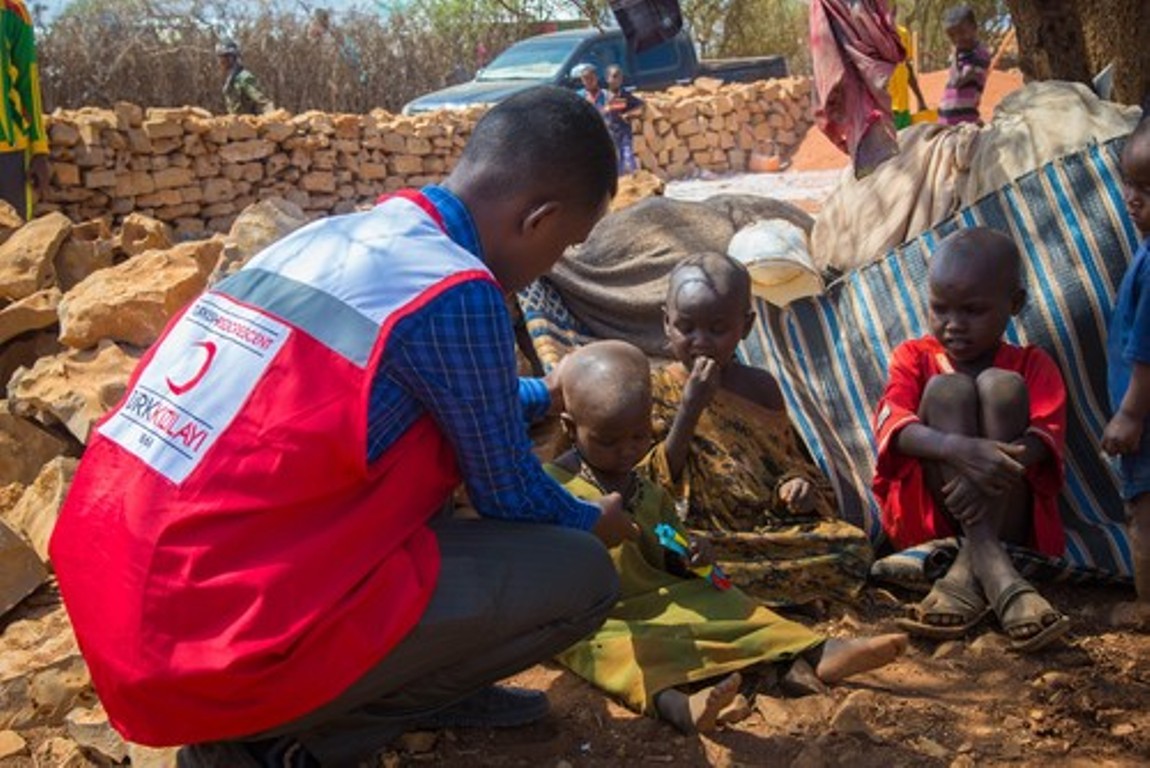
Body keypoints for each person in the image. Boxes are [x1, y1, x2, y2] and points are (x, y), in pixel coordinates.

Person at [50, 87, 635, 768]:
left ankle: (404, 681)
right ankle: (294, 741)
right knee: (582, 576)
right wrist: (597, 520)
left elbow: (450, 392)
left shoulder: (343, 238)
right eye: (564, 246)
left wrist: (544, 393)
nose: (553, 264)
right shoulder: (459, 287)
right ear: (538, 219)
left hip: (119, 591)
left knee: (423, 464)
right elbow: (513, 493)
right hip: (205, 641)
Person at [547, 340, 908, 734]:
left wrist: (688, 554)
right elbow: (543, 566)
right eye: (608, 441)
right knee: (612, 653)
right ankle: (677, 706)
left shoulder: (645, 486)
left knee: (725, 596)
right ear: (570, 426)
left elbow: (667, 540)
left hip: (662, 598)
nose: (626, 451)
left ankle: (816, 649)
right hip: (596, 616)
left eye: (637, 436)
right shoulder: (553, 487)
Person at [872, 227, 1071, 652]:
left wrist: (986, 466)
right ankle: (996, 570)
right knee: (947, 390)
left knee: (1003, 387)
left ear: (1014, 304)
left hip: (1009, 514)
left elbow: (1046, 439)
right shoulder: (914, 358)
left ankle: (967, 569)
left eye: (973, 311)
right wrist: (960, 450)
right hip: (934, 512)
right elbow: (893, 427)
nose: (953, 325)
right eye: (939, 309)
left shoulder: (1032, 364)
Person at [645, 252, 874, 607]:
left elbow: (788, 462)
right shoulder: (655, 388)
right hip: (698, 535)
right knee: (668, 546)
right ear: (666, 323)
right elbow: (651, 482)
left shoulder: (761, 386)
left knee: (852, 548)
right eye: (686, 328)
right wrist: (690, 408)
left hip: (767, 535)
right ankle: (731, 585)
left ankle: (721, 587)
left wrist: (796, 485)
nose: (701, 341)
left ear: (746, 326)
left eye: (718, 329)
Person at [1101, 118, 1150, 630]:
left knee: (1144, 512)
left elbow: (1146, 350)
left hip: (1146, 425)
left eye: (1149, 190)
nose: (1133, 200)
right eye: (1129, 184)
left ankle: (1146, 605)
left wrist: (1131, 415)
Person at [0, 0, 50, 220]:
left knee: (16, 244)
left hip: (8, 152)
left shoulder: (13, 11)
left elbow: (28, 83)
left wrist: (39, 149)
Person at [937, 4, 990, 127]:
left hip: (964, 122)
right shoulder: (962, 53)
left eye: (962, 32)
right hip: (946, 120)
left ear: (974, 27)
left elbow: (957, 81)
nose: (957, 39)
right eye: (952, 35)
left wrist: (954, 53)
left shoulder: (979, 54)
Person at [887, 8, 927, 130]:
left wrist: (920, 99)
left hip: (903, 108)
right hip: (885, 110)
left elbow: (907, 68)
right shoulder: (871, 37)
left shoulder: (903, 33)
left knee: (906, 146)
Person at [603, 64, 644, 175]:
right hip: (610, 132)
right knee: (616, 159)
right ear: (607, 79)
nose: (618, 80)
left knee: (628, 155)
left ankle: (634, 178)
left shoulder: (624, 95)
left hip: (624, 130)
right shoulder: (603, 96)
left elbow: (640, 105)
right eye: (615, 76)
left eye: (620, 77)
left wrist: (627, 114)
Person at [216, 39, 275, 116]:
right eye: (220, 57)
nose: (221, 61)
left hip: (246, 123)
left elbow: (262, 101)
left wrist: (272, 117)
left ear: (233, 58)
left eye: (225, 56)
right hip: (235, 122)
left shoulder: (244, 77)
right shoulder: (231, 78)